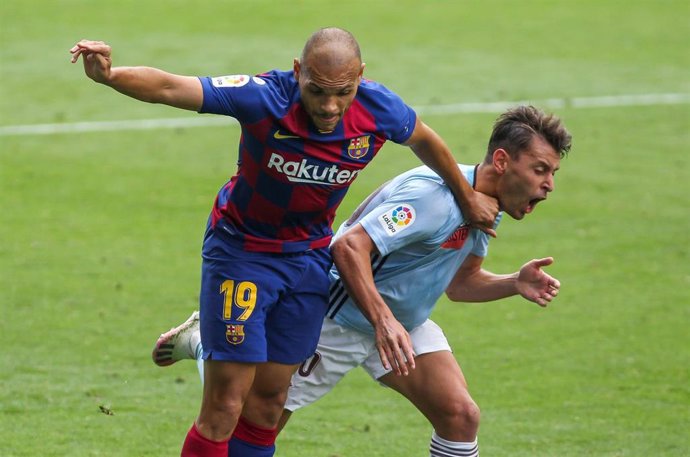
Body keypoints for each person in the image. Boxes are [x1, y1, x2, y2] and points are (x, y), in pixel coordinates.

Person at [70, 27, 499, 457]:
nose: (330, 107)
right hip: (242, 254)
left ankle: (206, 340)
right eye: (317, 91)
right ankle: (207, 341)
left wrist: (466, 196)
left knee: (270, 405)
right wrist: (109, 76)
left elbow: (425, 139)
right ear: (298, 73)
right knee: (225, 405)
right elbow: (171, 86)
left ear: (361, 78)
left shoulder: (378, 107)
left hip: (309, 260)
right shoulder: (263, 97)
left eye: (343, 93)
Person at [153, 105, 572, 456]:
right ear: (502, 161)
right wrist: (382, 320)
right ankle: (206, 343)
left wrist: (513, 282)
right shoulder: (433, 199)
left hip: (396, 324)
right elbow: (349, 247)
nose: (549, 185)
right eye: (540, 170)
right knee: (257, 417)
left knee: (460, 416)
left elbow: (461, 284)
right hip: (338, 316)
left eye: (552, 173)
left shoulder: (484, 208)